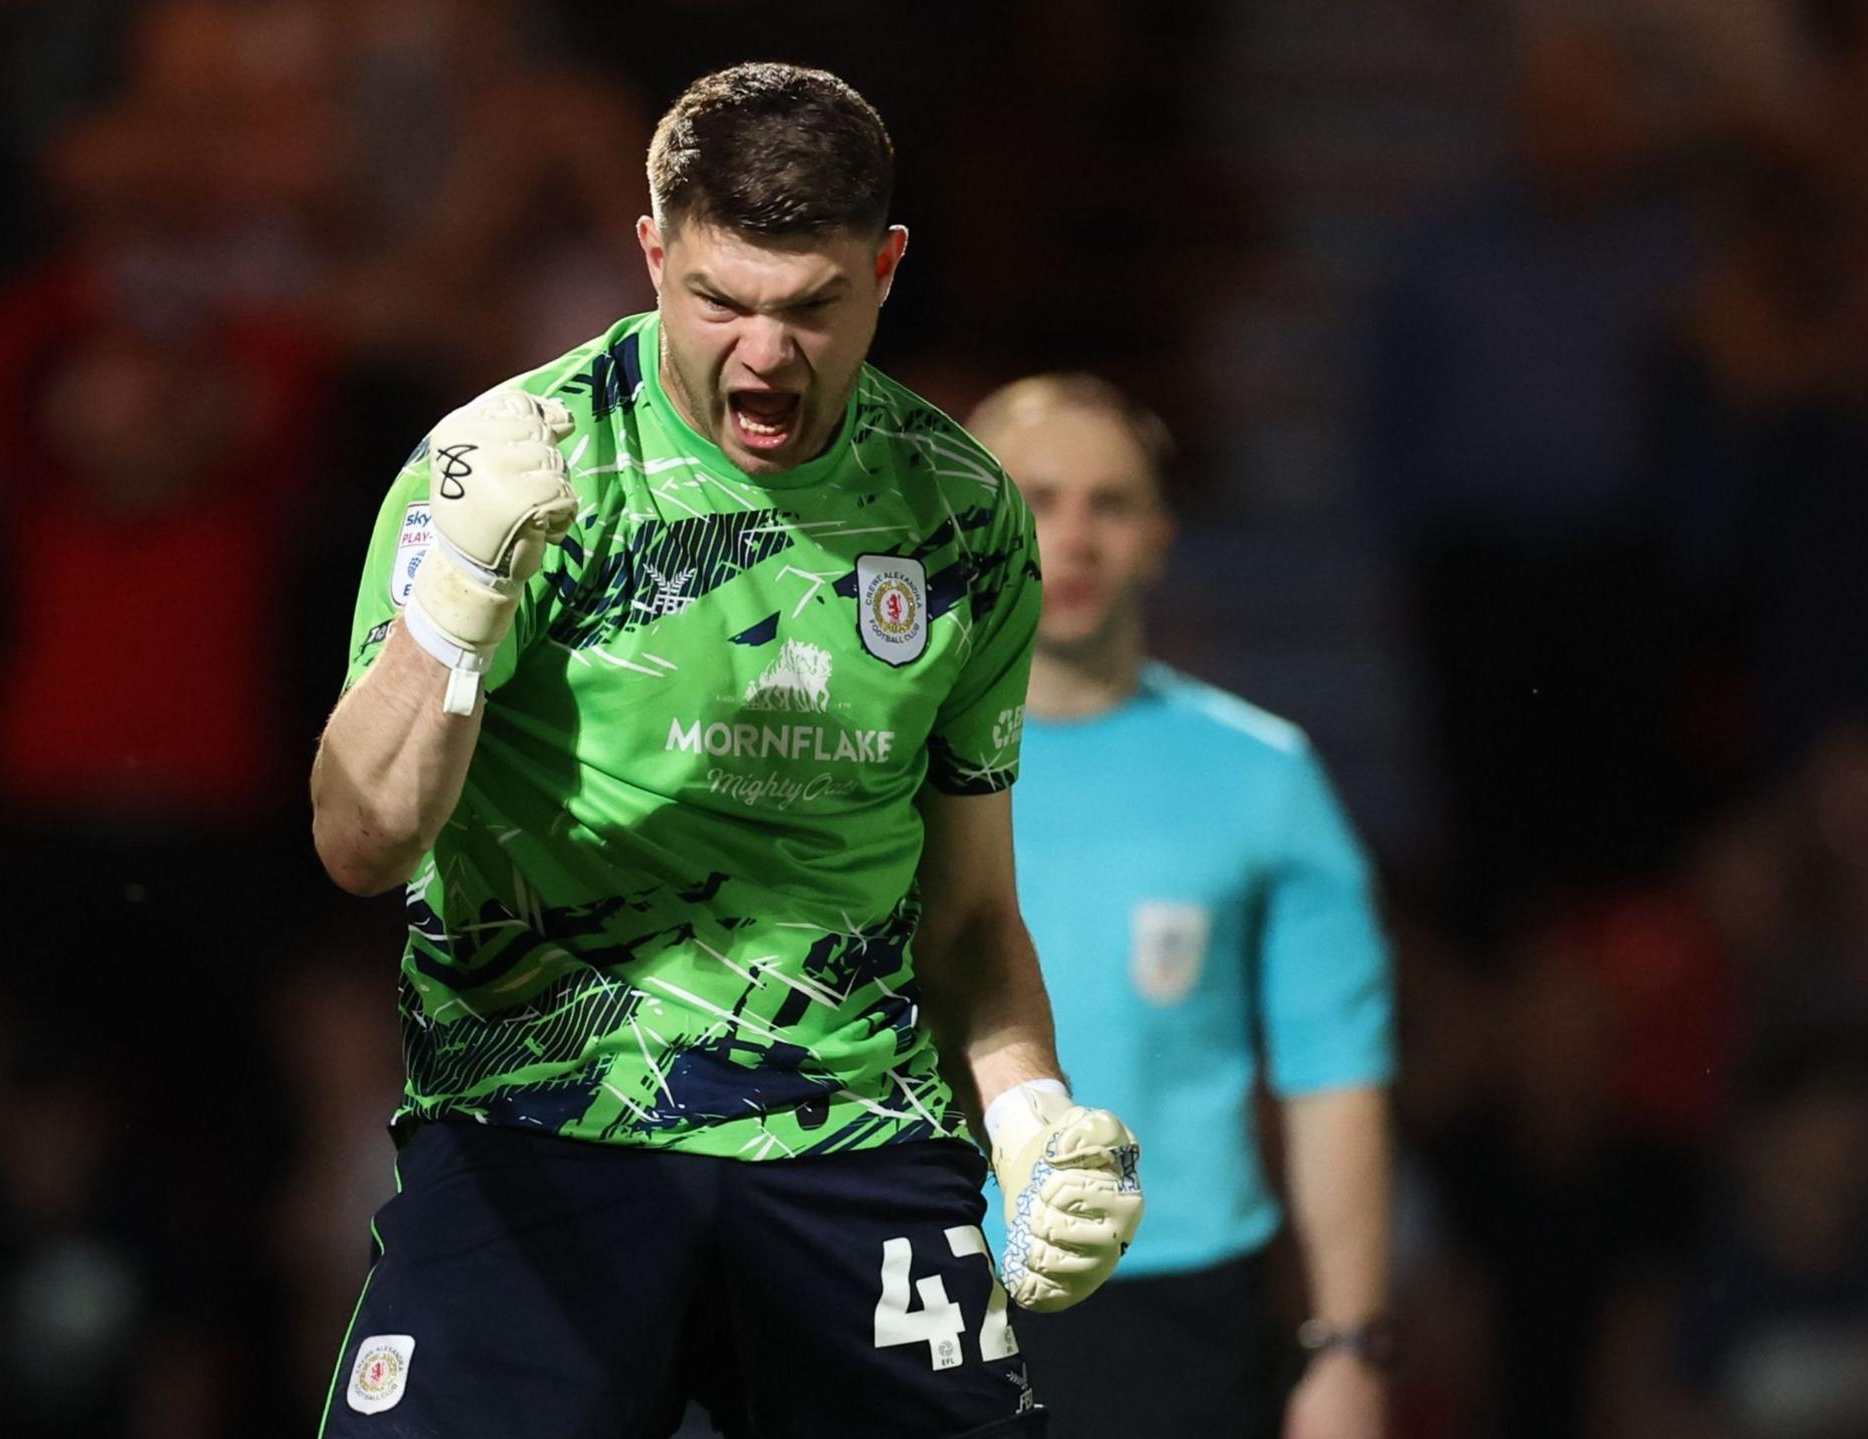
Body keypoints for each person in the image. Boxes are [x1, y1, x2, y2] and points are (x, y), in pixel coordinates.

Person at [307, 64, 1143, 1438]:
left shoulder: (961, 514)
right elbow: (359, 838)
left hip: (849, 1140)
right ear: (651, 254)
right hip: (537, 1124)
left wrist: (1033, 1118)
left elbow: (974, 911)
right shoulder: (510, 465)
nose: (764, 353)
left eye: (812, 307)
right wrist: (457, 599)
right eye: (719, 301)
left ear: (886, 269)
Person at [966, 375, 1397, 1439]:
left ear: (1157, 536)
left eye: (1107, 504)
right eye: (1036, 496)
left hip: (1180, 1318)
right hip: (912, 1278)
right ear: (961, 517)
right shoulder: (866, 762)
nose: (1070, 536)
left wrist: (1349, 1345)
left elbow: (1333, 1069)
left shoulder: (1262, 774)